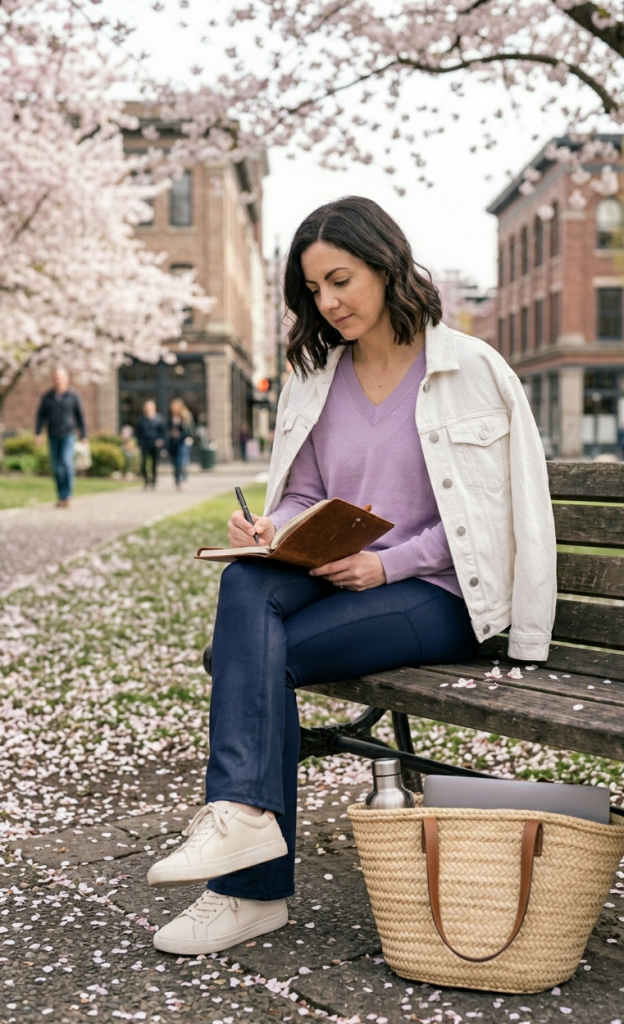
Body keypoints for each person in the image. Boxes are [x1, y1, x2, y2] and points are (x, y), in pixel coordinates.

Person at [147, 196, 557, 956]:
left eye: (341, 280)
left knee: (254, 659)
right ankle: (242, 820)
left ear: (386, 263)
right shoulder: (316, 377)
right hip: (338, 570)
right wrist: (275, 528)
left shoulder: (472, 371)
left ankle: (250, 890)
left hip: (436, 595)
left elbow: (496, 520)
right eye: (314, 292)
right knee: (245, 584)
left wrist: (388, 562)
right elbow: (304, 488)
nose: (328, 303)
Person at [35, 368, 87, 508]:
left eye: (60, 377)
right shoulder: (47, 397)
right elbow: (41, 416)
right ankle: (61, 496)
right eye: (56, 377)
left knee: (66, 462)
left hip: (69, 434)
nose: (58, 380)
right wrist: (38, 433)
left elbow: (80, 416)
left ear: (66, 379)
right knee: (56, 467)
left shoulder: (73, 396)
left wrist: (84, 435)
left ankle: (67, 495)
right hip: (52, 435)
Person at [136, 400, 166, 488]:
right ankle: (146, 480)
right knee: (144, 463)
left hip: (155, 443)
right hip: (144, 443)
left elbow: (162, 432)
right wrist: (139, 443)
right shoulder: (141, 419)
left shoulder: (159, 418)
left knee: (154, 463)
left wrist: (160, 440)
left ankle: (153, 480)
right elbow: (138, 432)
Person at [167, 398, 193, 489]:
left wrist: (187, 437)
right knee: (174, 462)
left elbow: (189, 431)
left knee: (180, 461)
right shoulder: (170, 418)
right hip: (173, 443)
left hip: (182, 442)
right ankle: (177, 479)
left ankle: (180, 480)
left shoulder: (185, 417)